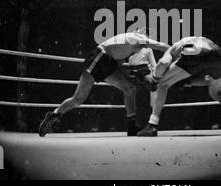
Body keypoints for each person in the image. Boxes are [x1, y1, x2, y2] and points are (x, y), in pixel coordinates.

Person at [38, 31, 169, 137]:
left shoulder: (128, 44)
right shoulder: (138, 38)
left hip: (107, 63)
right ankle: (55, 114)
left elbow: (116, 63)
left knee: (129, 88)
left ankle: (132, 125)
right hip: (99, 58)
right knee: (78, 99)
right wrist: (176, 55)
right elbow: (161, 46)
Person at [137, 36, 221, 136]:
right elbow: (206, 81)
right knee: (216, 92)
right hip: (216, 54)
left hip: (193, 52)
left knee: (163, 84)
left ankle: (152, 125)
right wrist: (186, 82)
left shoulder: (174, 48)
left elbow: (163, 62)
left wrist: (155, 78)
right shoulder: (193, 46)